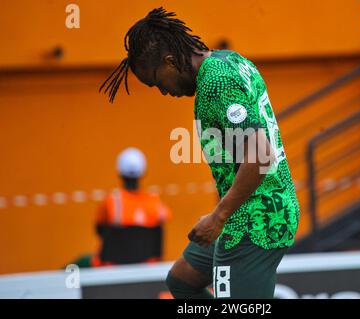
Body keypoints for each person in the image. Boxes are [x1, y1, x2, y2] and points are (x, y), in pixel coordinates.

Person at [99, 8, 300, 298]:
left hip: (256, 220)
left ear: (170, 62)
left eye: (157, 82)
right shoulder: (228, 60)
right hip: (256, 209)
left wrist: (218, 216)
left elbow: (260, 155)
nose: (163, 92)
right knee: (182, 281)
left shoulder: (216, 84)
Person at [92, 147, 172, 266]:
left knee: (82, 260)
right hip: (148, 266)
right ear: (143, 172)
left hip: (112, 267)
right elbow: (161, 227)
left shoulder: (111, 201)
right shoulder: (155, 202)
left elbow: (99, 230)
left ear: (119, 172)